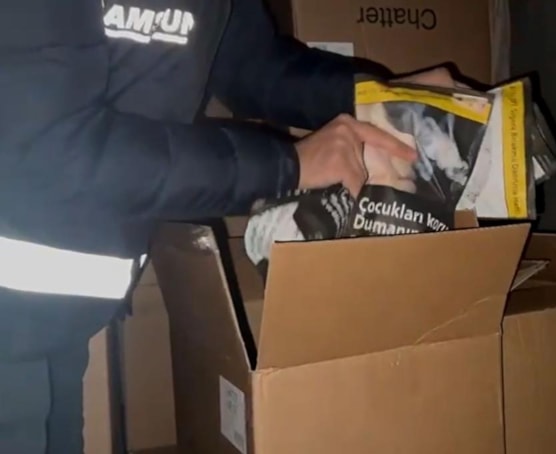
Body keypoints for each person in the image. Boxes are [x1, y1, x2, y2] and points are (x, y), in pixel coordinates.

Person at [0, 0, 455, 452]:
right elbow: (52, 147)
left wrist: (385, 98)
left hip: (58, 320)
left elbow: (251, 65)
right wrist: (289, 164)